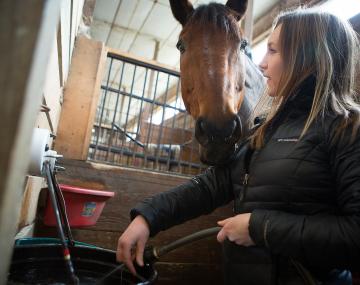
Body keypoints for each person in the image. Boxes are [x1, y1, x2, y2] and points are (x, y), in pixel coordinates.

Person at [116, 7, 360, 285]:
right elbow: (214, 186)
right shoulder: (268, 128)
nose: (262, 64)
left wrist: (259, 228)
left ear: (306, 58)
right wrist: (148, 218)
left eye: (273, 51)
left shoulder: (348, 128)